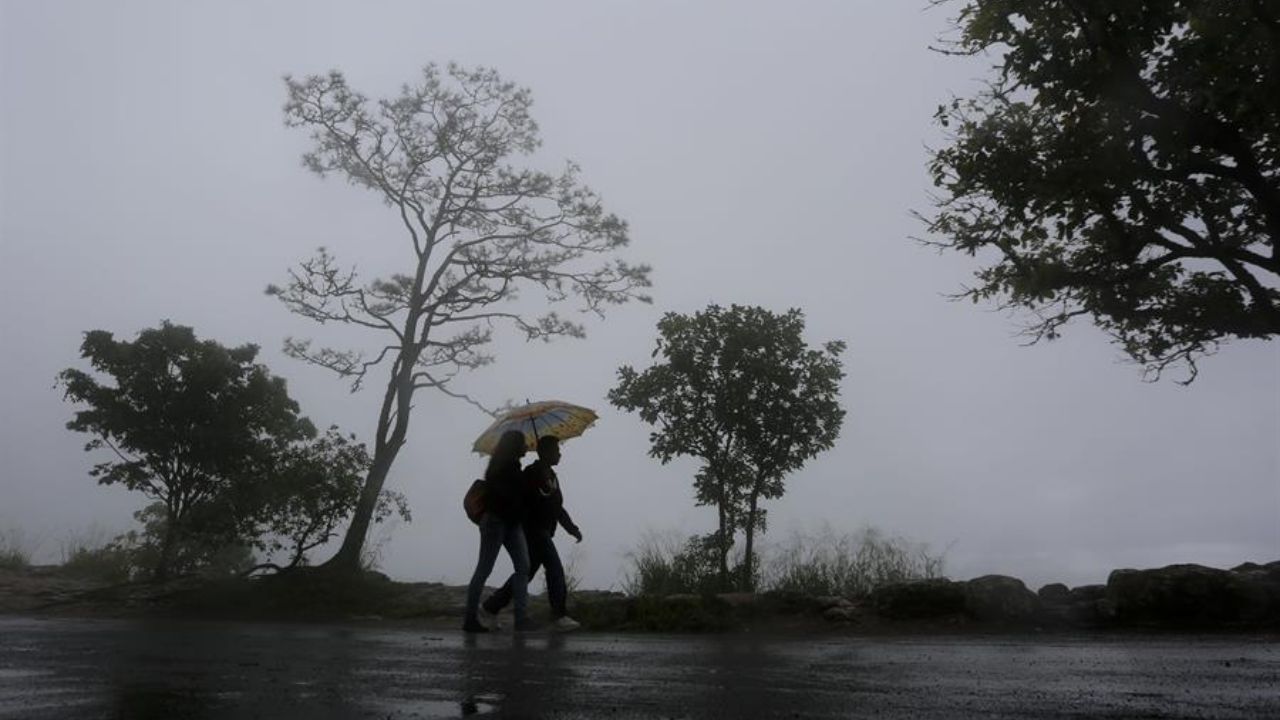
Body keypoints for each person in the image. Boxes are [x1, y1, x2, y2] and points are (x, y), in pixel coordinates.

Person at [482, 434, 583, 631]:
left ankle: (491, 606)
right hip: (533, 531)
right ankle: (558, 616)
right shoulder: (531, 473)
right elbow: (525, 501)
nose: (560, 454)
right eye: (556, 450)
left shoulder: (552, 476)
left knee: (525, 573)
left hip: (545, 530)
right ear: (545, 452)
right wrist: (540, 487)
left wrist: (572, 528)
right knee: (554, 568)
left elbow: (558, 508)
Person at [463, 430, 533, 633]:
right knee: (485, 569)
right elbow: (505, 498)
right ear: (514, 446)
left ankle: (521, 618)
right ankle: (470, 620)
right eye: (523, 444)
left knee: (523, 566)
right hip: (497, 522)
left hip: (511, 523)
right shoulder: (503, 468)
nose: (526, 447)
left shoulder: (508, 467)